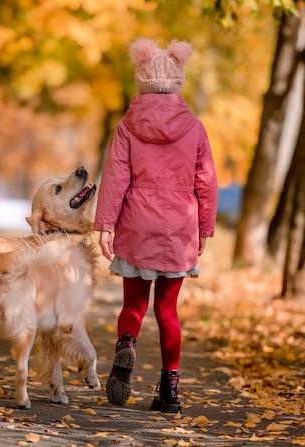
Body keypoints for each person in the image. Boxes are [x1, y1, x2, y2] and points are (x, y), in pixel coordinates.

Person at [93, 37, 218, 413]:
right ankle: (170, 391)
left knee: (134, 303)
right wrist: (204, 228)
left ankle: (127, 342)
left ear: (141, 80)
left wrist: (105, 225)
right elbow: (206, 182)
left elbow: (115, 178)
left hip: (136, 222)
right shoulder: (195, 128)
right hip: (179, 226)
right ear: (178, 80)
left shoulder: (127, 126)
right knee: (168, 310)